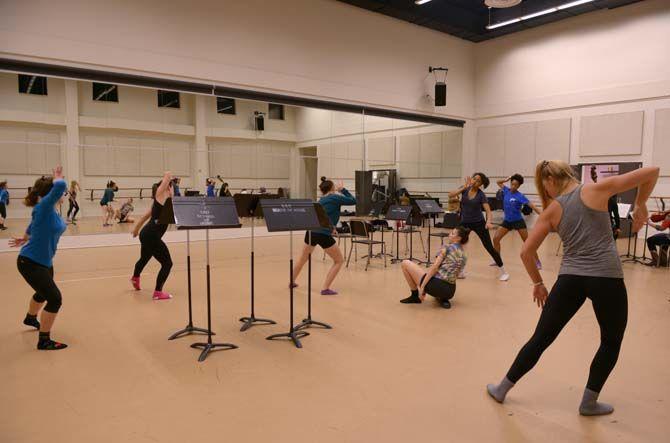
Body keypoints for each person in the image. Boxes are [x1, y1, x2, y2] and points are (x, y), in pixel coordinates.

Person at [486, 160, 659, 416]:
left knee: (541, 339)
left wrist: (538, 283)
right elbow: (652, 172)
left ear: (551, 180)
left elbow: (526, 252)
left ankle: (502, 389)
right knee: (611, 342)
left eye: (545, 188)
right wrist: (641, 203)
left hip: (570, 279)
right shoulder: (595, 190)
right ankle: (589, 402)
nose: (547, 194)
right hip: (607, 278)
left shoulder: (551, 210)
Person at [9, 166, 69, 350]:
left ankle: (30, 318)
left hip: (44, 262)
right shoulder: (44, 206)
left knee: (43, 292)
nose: (64, 194)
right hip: (30, 263)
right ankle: (44, 340)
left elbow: (33, 224)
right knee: (55, 299)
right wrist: (58, 178)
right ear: (51, 193)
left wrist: (26, 237)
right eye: (62, 192)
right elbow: (59, 188)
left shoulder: (49, 211)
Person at [290, 177, 356, 295]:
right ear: (332, 188)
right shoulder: (335, 197)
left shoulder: (321, 200)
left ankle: (292, 281)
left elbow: (325, 215)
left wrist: (332, 228)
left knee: (302, 258)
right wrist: (343, 190)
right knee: (339, 260)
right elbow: (353, 201)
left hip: (311, 232)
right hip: (323, 234)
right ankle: (325, 288)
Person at [448, 173, 509, 281]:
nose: (475, 181)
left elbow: (488, 211)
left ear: (481, 184)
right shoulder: (465, 190)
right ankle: (460, 271)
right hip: (464, 222)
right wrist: (464, 187)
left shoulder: (481, 195)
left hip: (478, 223)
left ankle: (504, 272)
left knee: (489, 247)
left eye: (478, 180)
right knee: (457, 245)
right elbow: (450, 195)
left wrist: (488, 222)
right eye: (474, 178)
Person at [399, 226, 469, 309]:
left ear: (458, 238)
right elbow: (456, 275)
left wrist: (422, 288)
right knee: (437, 279)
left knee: (405, 263)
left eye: (452, 233)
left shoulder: (447, 248)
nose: (449, 235)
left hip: (437, 286)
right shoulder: (464, 255)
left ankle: (415, 296)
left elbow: (434, 268)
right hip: (450, 292)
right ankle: (442, 298)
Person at [131, 172, 175, 300]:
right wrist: (169, 177)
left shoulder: (165, 202)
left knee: (144, 258)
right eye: (170, 186)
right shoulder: (160, 195)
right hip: (151, 235)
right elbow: (167, 174)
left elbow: (145, 216)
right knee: (167, 263)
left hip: (146, 234)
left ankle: (135, 278)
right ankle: (158, 292)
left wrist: (136, 229)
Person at [493, 174, 542, 269]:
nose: (513, 186)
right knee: (496, 239)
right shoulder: (506, 190)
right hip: (507, 221)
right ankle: (497, 260)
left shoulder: (520, 196)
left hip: (518, 221)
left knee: (527, 242)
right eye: (512, 184)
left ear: (519, 186)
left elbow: (533, 206)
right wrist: (506, 178)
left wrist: (543, 214)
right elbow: (498, 182)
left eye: (516, 185)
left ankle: (537, 261)